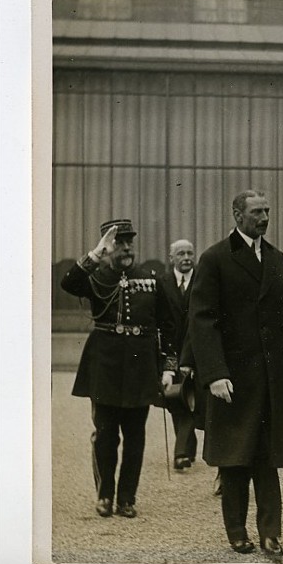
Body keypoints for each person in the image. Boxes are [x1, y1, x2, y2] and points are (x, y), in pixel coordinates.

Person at [188, 190, 283, 558]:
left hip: (271, 380)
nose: (264, 218)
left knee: (268, 458)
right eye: (256, 212)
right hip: (232, 381)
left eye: (267, 211)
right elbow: (202, 322)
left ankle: (271, 534)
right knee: (234, 460)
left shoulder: (277, 259)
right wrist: (215, 373)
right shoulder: (215, 259)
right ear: (237, 215)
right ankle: (236, 531)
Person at [61, 219, 175, 519]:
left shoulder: (150, 279)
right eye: (118, 243)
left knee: (135, 436)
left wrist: (168, 368)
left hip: (140, 366)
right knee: (105, 434)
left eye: (129, 243)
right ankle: (105, 495)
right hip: (104, 365)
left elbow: (169, 326)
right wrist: (96, 254)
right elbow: (68, 283)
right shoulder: (95, 276)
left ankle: (127, 498)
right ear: (107, 247)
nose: (126, 248)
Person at [158, 239, 199, 470]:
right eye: (181, 253)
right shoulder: (162, 283)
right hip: (170, 351)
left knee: (190, 397)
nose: (186, 257)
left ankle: (181, 451)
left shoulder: (203, 280)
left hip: (196, 350)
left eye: (190, 253)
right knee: (175, 399)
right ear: (171, 258)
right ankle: (187, 446)